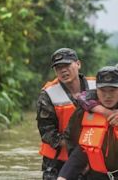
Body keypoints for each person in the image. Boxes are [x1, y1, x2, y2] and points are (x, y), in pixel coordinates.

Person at [36, 48, 91, 180]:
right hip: (58, 160)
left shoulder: (99, 87)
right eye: (58, 68)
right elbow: (47, 132)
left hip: (93, 156)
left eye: (67, 65)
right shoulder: (47, 94)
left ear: (78, 64)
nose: (63, 70)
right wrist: (77, 150)